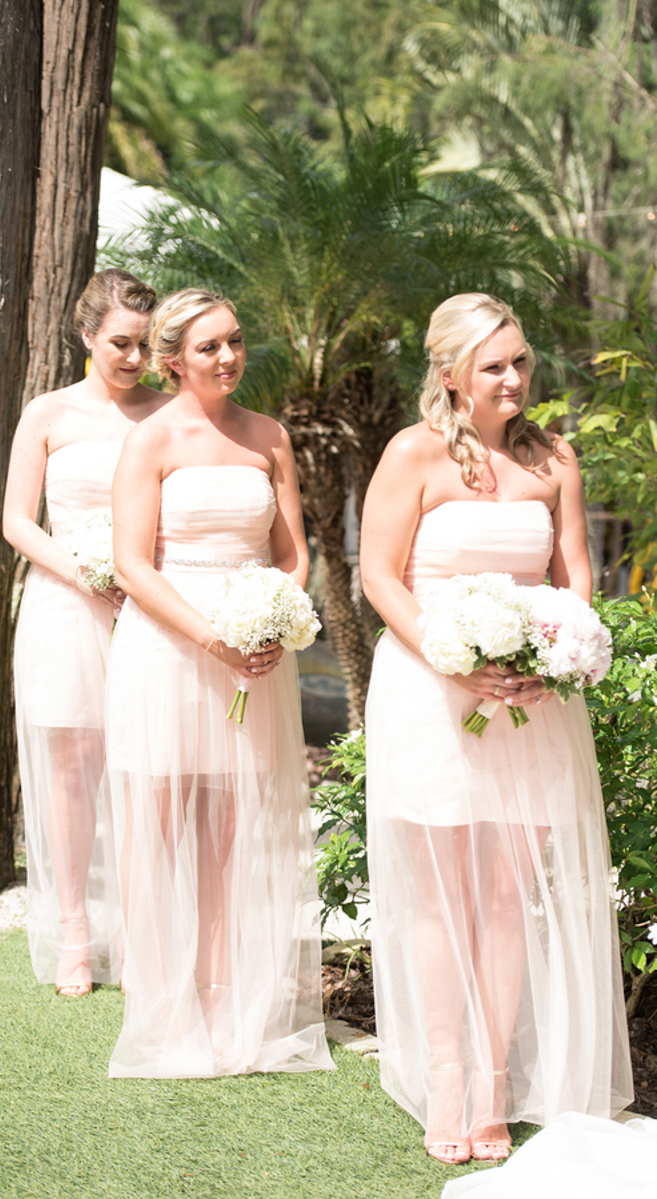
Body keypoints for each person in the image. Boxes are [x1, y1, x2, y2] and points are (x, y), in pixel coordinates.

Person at [360, 294, 633, 1164]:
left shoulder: (556, 459)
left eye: (520, 361)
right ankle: (446, 1074)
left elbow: (577, 573)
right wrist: (451, 658)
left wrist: (558, 659)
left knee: (511, 895)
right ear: (451, 375)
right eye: (495, 366)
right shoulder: (414, 454)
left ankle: (493, 1084)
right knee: (443, 896)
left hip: (531, 707)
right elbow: (378, 575)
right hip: (432, 695)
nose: (514, 378)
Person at [105, 288, 334, 1078]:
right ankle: (162, 1004)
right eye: (210, 348)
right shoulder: (151, 440)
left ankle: (223, 998)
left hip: (255, 654)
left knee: (234, 831)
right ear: (172, 361)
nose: (230, 357)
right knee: (160, 820)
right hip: (171, 648)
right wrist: (212, 635)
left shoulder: (269, 436)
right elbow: (133, 563)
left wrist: (269, 619)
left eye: (235, 341)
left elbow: (292, 551)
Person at [3, 268, 166, 996]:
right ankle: (74, 927)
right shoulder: (48, 413)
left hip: (146, 610)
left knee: (142, 769)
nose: (134, 359)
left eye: (145, 345)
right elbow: (15, 521)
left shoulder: (166, 415)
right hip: (66, 605)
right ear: (87, 335)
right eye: (121, 343)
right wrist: (81, 570)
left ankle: (137, 931)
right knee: (72, 767)